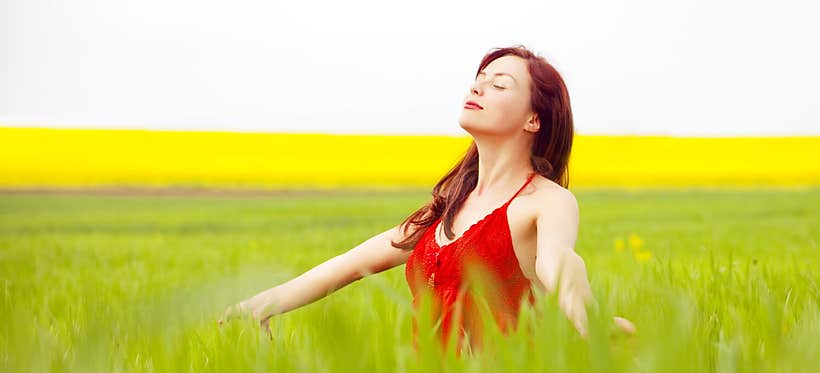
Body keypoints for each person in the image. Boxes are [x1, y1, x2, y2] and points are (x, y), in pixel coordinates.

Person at [218, 45, 637, 354]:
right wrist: (257, 306)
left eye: (499, 84)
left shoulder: (546, 201)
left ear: (534, 119)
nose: (479, 86)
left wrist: (589, 320)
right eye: (480, 78)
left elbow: (559, 263)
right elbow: (343, 268)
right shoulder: (446, 212)